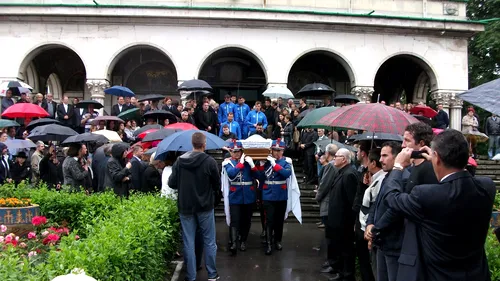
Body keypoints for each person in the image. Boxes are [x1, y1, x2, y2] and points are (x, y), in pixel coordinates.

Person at [378, 129, 495, 281]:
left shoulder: (425, 195)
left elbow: (391, 197)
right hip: (476, 274)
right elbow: (457, 179)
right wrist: (436, 159)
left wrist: (398, 167)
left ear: (437, 158)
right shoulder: (486, 187)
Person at [168, 132, 221, 281]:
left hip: (185, 205)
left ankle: (190, 276)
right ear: (204, 144)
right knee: (209, 240)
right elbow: (216, 184)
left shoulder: (180, 161)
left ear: (192, 144)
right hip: (205, 206)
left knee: (188, 241)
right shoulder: (209, 161)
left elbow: (171, 183)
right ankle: (212, 274)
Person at [364, 141, 406, 281]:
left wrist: (375, 229)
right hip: (381, 242)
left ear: (397, 157)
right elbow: (376, 204)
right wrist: (370, 223)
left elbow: (394, 209)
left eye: (385, 156)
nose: (380, 160)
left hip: (393, 243)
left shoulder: (403, 178)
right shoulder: (386, 177)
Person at [326, 148, 359, 281]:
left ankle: (347, 275)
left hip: (344, 221)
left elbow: (352, 200)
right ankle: (341, 272)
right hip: (337, 220)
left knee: (346, 249)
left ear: (344, 159)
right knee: (340, 248)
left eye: (337, 156)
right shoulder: (342, 172)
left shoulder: (349, 174)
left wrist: (351, 222)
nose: (334, 158)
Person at [221, 141, 258, 255]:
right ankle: (233, 242)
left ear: (242, 152)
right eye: (233, 152)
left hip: (248, 195)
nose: (236, 154)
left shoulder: (247, 162)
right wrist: (241, 163)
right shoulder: (227, 163)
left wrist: (252, 165)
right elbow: (232, 173)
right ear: (230, 152)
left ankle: (243, 240)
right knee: (235, 220)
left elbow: (258, 176)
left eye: (238, 152)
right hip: (235, 195)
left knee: (246, 220)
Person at [258, 139, 292, 255]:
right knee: (269, 220)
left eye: (279, 150)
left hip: (281, 195)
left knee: (279, 220)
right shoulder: (266, 162)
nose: (277, 153)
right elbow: (260, 177)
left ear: (283, 151)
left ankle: (278, 240)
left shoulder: (286, 162)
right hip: (268, 194)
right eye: (275, 150)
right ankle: (268, 243)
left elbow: (287, 174)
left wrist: (274, 164)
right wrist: (260, 165)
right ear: (271, 151)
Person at [358, 148, 386, 278]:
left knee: (373, 268)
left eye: (368, 161)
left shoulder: (381, 180)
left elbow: (374, 205)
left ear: (373, 163)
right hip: (365, 226)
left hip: (370, 229)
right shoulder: (374, 178)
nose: (366, 164)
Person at [316, 144, 338, 271]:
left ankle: (331, 262)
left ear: (328, 154)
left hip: (328, 204)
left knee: (330, 235)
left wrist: (318, 196)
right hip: (332, 203)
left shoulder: (330, 166)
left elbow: (324, 184)